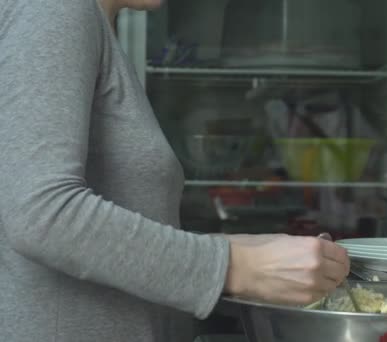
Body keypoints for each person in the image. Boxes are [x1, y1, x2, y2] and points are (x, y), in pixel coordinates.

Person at [0, 1, 350, 341]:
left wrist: (235, 248)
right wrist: (235, 267)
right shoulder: (56, 9)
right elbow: (41, 213)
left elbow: (107, 236)